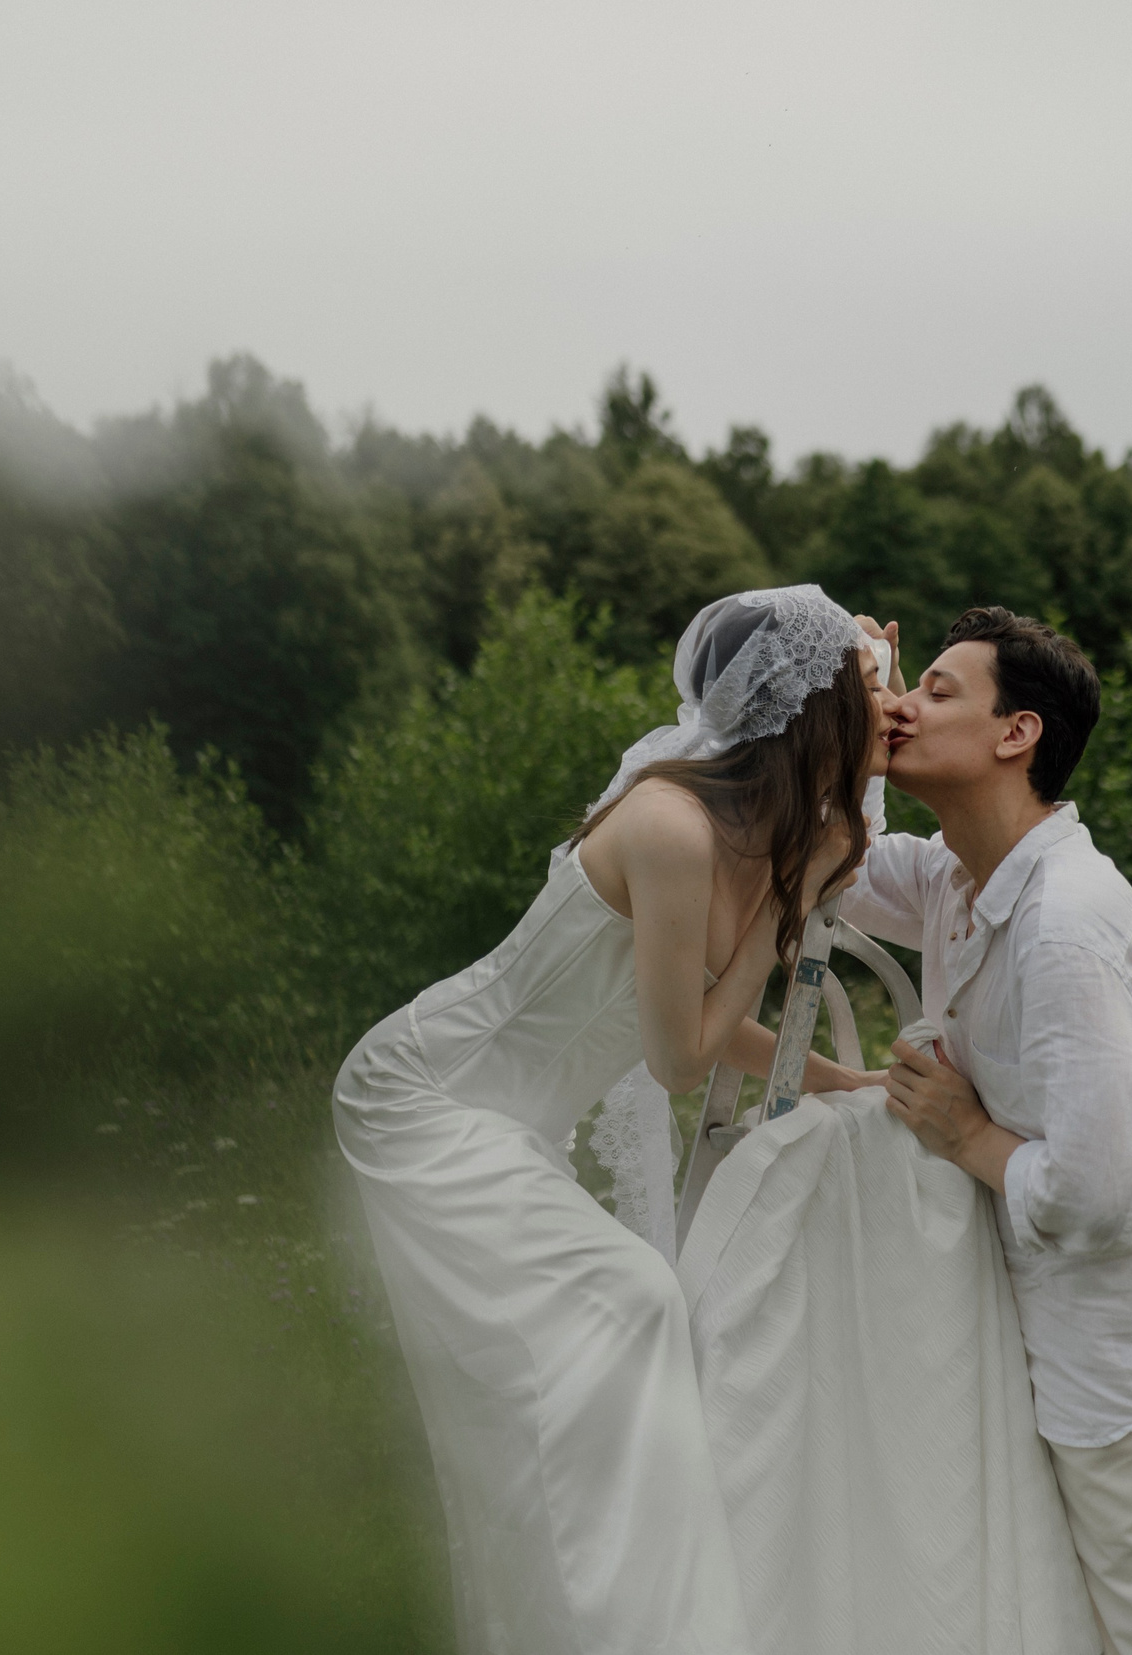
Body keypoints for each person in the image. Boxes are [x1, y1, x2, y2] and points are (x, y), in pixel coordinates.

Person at [332, 585, 892, 1655]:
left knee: (576, 1372)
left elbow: (690, 1017)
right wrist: (788, 903)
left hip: (507, 1120)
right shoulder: (673, 824)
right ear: (814, 708)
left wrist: (838, 1081)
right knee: (634, 1301)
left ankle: (610, 1613)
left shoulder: (762, 830)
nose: (889, 711)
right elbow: (678, 1056)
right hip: (423, 1096)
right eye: (869, 687)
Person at [846, 607, 1132, 1655]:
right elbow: (837, 868)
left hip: (1124, 1366)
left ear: (1015, 733)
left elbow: (1104, 1189)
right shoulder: (954, 880)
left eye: (936, 690)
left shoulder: (1066, 918)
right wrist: (854, 698)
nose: (906, 706)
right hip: (1041, 1349)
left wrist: (965, 1132)